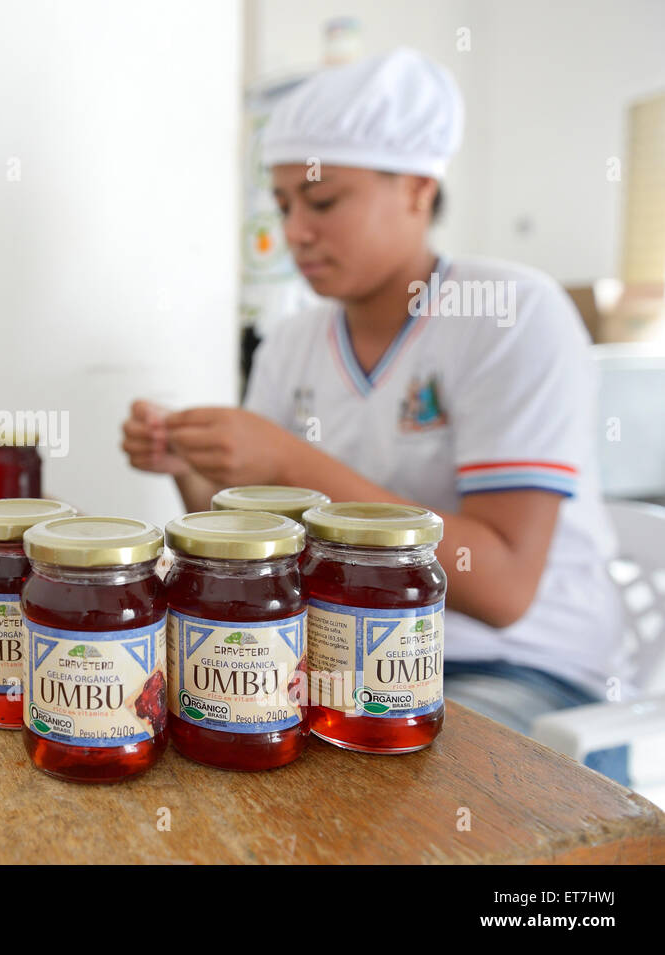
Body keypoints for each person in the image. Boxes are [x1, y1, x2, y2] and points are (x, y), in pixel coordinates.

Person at [121, 47, 632, 784]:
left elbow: (504, 586)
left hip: (511, 669)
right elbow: (261, 540)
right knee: (186, 736)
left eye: (322, 202)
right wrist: (192, 471)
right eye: (284, 203)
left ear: (419, 190)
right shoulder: (294, 340)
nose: (295, 230)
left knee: (354, 799)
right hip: (331, 652)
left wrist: (286, 460)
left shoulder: (510, 314)